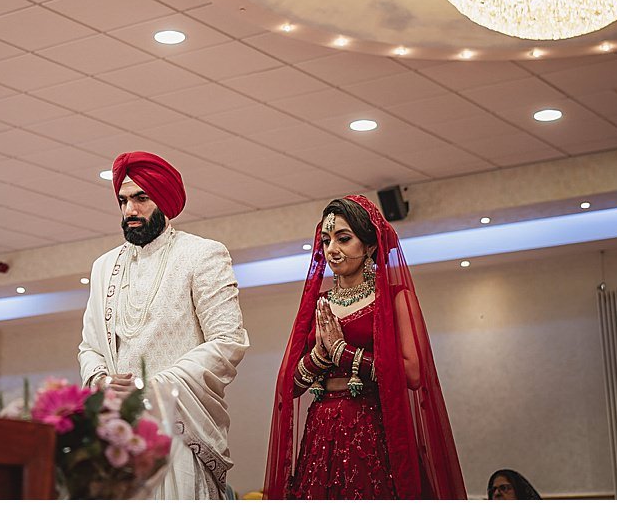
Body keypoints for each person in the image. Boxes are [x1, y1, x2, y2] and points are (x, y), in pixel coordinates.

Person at [264, 195, 466, 499]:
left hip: (372, 428)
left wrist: (341, 353)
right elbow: (288, 386)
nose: (332, 250)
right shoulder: (319, 305)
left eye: (344, 239)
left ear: (370, 246)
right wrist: (321, 356)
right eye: (326, 240)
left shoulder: (396, 298)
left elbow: (412, 373)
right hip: (320, 431)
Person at [78, 151, 249, 499]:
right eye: (124, 200)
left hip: (178, 429)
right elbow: (90, 347)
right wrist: (102, 380)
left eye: (141, 198)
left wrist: (153, 387)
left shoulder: (202, 254)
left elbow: (228, 339)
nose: (130, 211)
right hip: (118, 435)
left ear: (164, 201)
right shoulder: (103, 267)